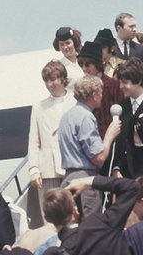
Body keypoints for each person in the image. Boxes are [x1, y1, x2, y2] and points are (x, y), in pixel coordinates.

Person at [57, 75, 121, 217]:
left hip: (68, 178)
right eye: (100, 92)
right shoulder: (86, 117)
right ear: (94, 94)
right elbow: (98, 158)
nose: (102, 95)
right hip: (85, 180)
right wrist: (110, 135)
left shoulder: (67, 116)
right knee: (91, 228)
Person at [28, 60, 76, 224]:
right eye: (47, 81)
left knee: (71, 215)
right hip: (47, 169)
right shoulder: (38, 107)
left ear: (63, 79)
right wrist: (34, 168)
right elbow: (34, 141)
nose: (50, 84)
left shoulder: (76, 102)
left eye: (53, 79)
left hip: (71, 166)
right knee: (49, 218)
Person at [42, 176, 140, 255]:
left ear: (47, 219)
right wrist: (88, 181)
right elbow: (132, 187)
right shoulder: (102, 224)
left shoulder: (60, 251)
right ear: (75, 211)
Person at [77, 41, 124, 139]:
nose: (84, 69)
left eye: (88, 65)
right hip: (89, 138)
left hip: (111, 138)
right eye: (82, 65)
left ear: (97, 63)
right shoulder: (81, 88)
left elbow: (122, 113)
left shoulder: (113, 85)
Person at [52, 27, 84, 91]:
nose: (65, 47)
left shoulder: (86, 60)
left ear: (74, 42)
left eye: (68, 43)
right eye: (61, 44)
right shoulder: (59, 67)